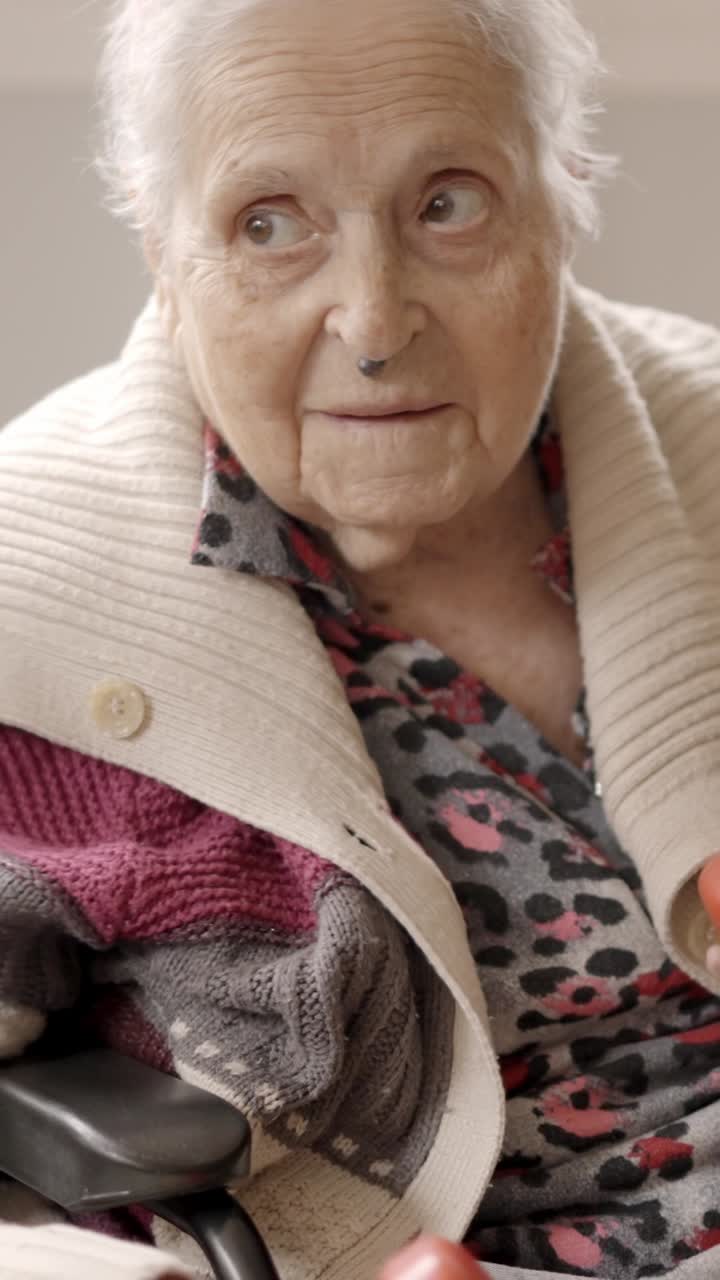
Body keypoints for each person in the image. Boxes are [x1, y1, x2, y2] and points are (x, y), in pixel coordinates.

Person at [1, 0, 720, 1277]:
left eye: (449, 202)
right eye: (268, 225)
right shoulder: (30, 587)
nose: (376, 322)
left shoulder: (705, 437)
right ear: (163, 251)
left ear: (567, 198)